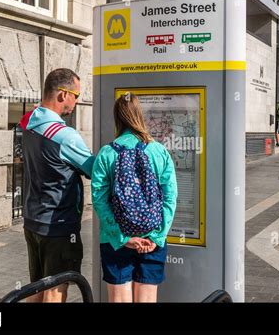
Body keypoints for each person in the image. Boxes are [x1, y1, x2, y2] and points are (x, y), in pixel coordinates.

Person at [91, 93, 178, 303]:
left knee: (119, 299)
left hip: (116, 241)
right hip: (152, 239)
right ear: (140, 116)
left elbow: (99, 200)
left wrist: (123, 238)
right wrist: (156, 237)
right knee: (147, 299)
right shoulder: (159, 151)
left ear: (117, 118)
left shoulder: (106, 154)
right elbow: (170, 197)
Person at [19, 68, 95, 303]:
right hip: (58, 226)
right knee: (55, 289)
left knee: (36, 288)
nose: (76, 101)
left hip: (33, 221)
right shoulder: (64, 135)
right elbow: (94, 169)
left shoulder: (28, 124)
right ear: (63, 94)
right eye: (76, 95)